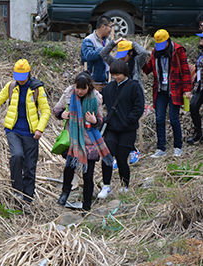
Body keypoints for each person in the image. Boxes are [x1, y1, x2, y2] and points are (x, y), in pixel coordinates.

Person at [0, 59, 51, 207]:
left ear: (29, 74)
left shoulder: (37, 89)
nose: (20, 80)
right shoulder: (11, 86)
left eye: (23, 77)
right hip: (13, 129)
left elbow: (46, 111)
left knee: (29, 166)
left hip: (31, 133)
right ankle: (17, 191)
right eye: (17, 76)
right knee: (17, 156)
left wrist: (40, 129)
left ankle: (27, 200)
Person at [54, 72, 113, 211]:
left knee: (88, 174)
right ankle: (65, 193)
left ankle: (87, 206)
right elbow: (57, 109)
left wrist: (95, 121)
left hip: (90, 139)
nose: (80, 91)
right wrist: (61, 114)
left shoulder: (96, 98)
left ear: (89, 87)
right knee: (69, 168)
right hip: (73, 137)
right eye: (77, 87)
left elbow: (100, 120)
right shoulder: (69, 93)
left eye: (83, 88)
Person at [142, 29, 192, 158]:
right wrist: (139, 58)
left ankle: (178, 146)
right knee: (159, 119)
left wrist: (187, 89)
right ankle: (161, 148)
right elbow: (147, 69)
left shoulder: (178, 51)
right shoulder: (155, 52)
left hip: (174, 89)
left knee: (174, 118)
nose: (160, 48)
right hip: (160, 91)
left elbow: (185, 71)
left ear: (168, 41)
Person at [98, 60, 144, 198]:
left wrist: (129, 120)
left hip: (128, 129)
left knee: (122, 157)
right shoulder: (108, 88)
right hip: (112, 129)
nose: (116, 77)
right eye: (114, 74)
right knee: (107, 156)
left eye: (119, 74)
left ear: (125, 73)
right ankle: (106, 186)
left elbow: (139, 107)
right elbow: (98, 101)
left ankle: (125, 186)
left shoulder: (134, 86)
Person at [100, 38, 149, 164]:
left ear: (131, 53)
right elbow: (104, 54)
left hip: (133, 97)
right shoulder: (116, 63)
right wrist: (114, 43)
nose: (122, 58)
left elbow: (143, 53)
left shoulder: (136, 61)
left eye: (125, 55)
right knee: (117, 125)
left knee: (131, 125)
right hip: (119, 98)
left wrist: (132, 43)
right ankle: (118, 155)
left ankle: (132, 150)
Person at [81, 15, 113, 92]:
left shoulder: (107, 41)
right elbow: (89, 56)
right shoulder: (89, 40)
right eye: (110, 27)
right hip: (94, 82)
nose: (111, 30)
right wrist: (106, 49)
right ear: (103, 26)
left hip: (107, 81)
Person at [188, 34, 203, 145]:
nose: (200, 40)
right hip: (199, 86)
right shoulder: (201, 53)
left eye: (202, 38)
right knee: (193, 106)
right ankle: (198, 133)